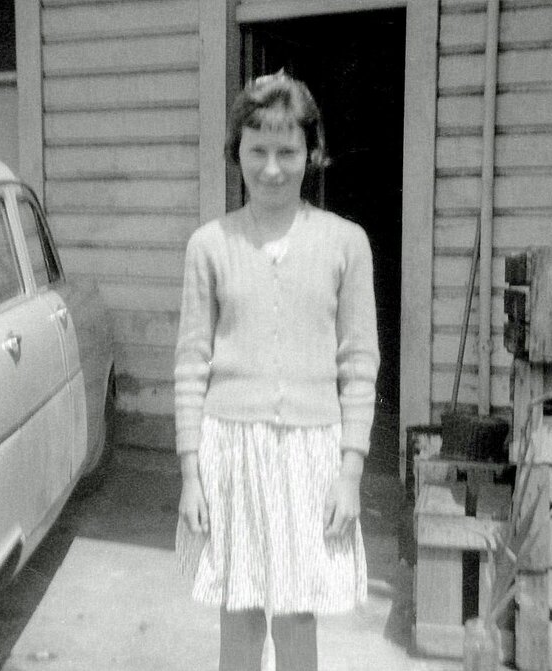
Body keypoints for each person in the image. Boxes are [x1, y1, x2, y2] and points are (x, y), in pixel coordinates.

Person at [174, 71, 379, 671]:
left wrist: (350, 473)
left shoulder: (346, 244)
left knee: (295, 614)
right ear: (235, 152)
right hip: (230, 449)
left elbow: (359, 365)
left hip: (312, 454)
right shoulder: (209, 245)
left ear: (312, 153)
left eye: (287, 151)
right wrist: (191, 473)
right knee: (238, 610)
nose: (271, 168)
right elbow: (191, 362)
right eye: (256, 150)